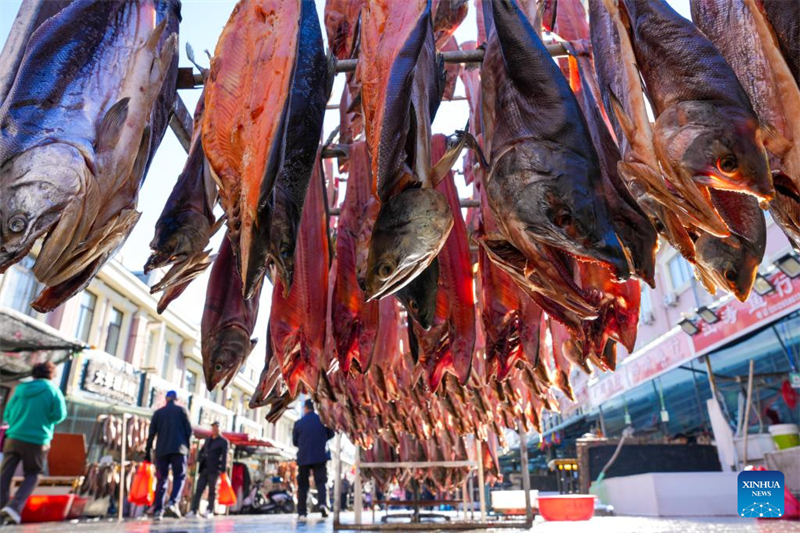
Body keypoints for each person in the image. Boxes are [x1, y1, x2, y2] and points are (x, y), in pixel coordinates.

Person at [0, 362, 66, 525]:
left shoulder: (21, 389)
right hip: (37, 439)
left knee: (4, 475)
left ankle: (1, 511)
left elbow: (7, 413)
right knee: (33, 473)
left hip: (13, 437)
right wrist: (44, 419)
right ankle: (14, 507)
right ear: (51, 375)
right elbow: (59, 415)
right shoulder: (53, 391)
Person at [145, 390, 192, 520]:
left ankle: (158, 510)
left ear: (166, 399)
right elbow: (189, 432)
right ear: (176, 399)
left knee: (162, 479)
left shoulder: (158, 413)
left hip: (162, 451)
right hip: (179, 450)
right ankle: (172, 502)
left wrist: (148, 451)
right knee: (179, 477)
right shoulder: (182, 411)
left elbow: (151, 434)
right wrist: (187, 449)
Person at [293, 399, 334, 519]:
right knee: (321, 483)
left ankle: (302, 511)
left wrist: (303, 444)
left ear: (305, 408)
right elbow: (331, 434)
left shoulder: (299, 423)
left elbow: (295, 442)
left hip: (304, 456)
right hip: (320, 455)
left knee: (303, 485)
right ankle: (323, 505)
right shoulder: (322, 420)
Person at [186, 421, 229, 518]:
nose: (214, 429)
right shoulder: (208, 440)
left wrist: (223, 470)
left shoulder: (223, 441)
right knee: (199, 490)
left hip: (214, 469)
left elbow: (225, 456)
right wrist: (200, 459)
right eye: (213, 427)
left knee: (212, 491)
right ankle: (194, 510)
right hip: (204, 468)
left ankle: (210, 510)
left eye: (216, 427)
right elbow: (202, 451)